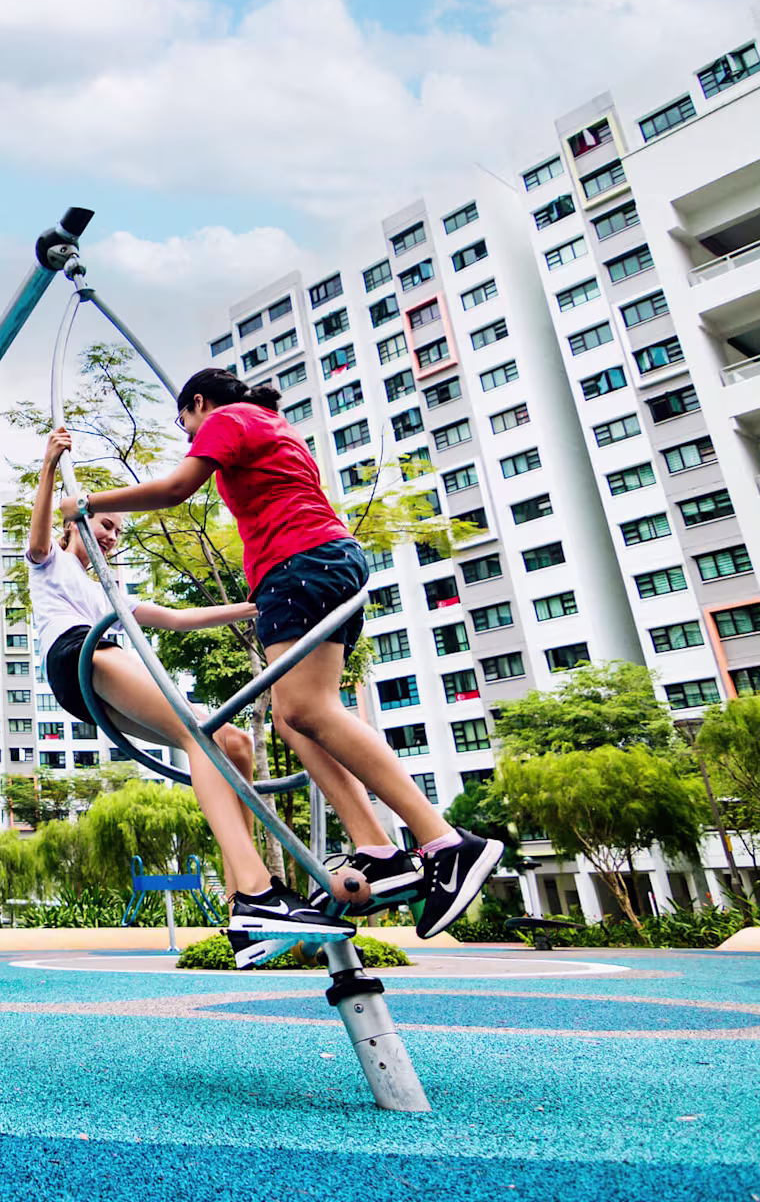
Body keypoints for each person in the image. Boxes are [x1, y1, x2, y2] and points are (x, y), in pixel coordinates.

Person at [62, 369, 504, 942]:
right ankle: (379, 848)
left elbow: (175, 491)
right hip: (315, 565)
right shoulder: (273, 426)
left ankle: (445, 840)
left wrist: (86, 503)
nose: (190, 433)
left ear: (198, 403)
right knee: (294, 717)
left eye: (183, 422)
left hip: (299, 565)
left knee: (311, 711)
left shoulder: (226, 419)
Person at [29, 425, 353, 966]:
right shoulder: (54, 563)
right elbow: (40, 540)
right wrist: (47, 468)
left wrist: (261, 604)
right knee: (198, 736)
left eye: (117, 532)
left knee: (233, 744)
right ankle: (256, 893)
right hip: (76, 655)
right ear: (77, 522)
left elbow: (178, 619)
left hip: (104, 661)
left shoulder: (112, 591)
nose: (111, 536)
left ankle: (243, 903)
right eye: (105, 524)